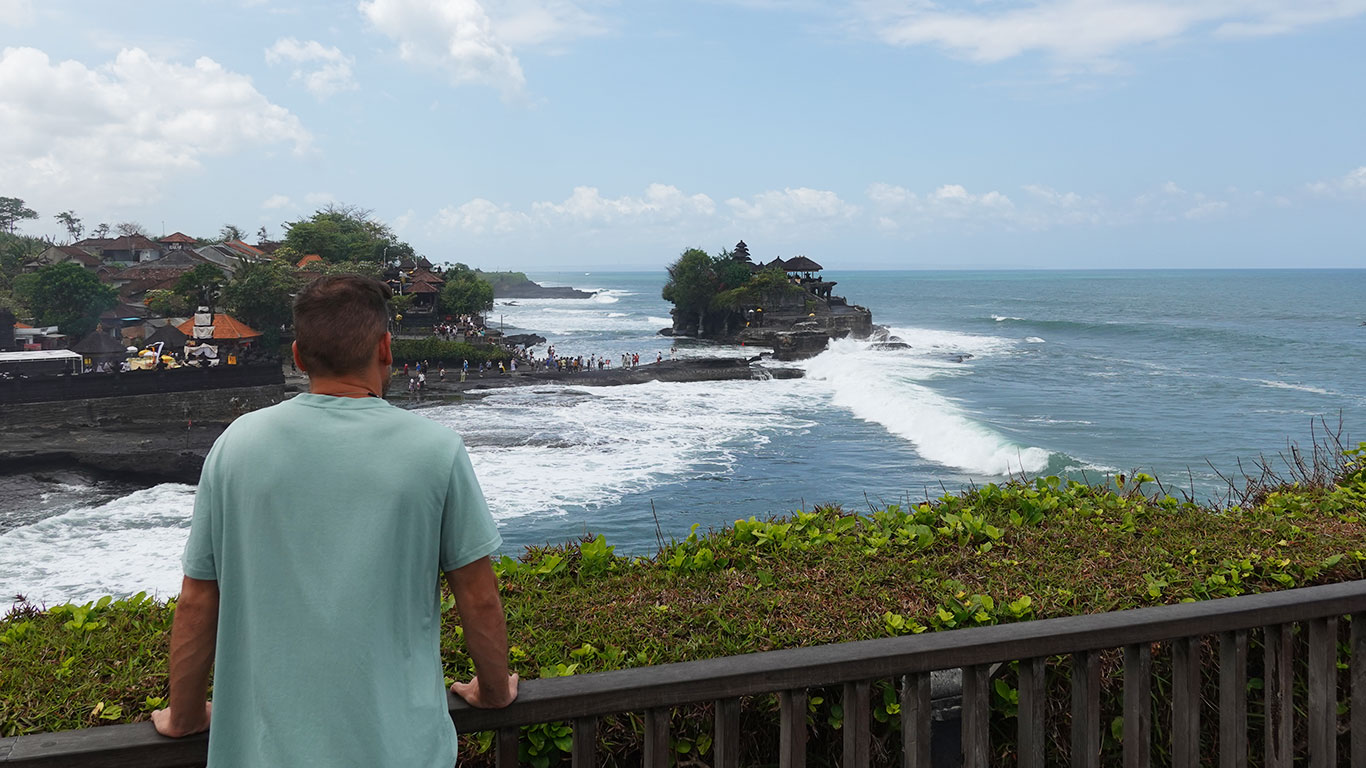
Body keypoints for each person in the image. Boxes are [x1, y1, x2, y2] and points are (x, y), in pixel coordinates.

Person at [152, 275, 516, 767]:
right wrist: (494, 691)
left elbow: (198, 600)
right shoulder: (435, 450)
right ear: (386, 348)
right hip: (400, 750)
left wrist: (185, 715)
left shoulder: (237, 445)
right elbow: (477, 598)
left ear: (299, 356)